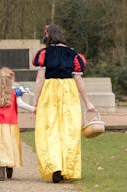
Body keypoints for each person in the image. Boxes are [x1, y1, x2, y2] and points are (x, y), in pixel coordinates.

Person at [32, 24, 95, 183]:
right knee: (69, 130)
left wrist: (35, 101)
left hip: (50, 91)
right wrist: (87, 102)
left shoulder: (44, 53)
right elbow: (78, 79)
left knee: (50, 130)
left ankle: (55, 166)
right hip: (69, 92)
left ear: (48, 36)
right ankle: (67, 167)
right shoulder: (73, 54)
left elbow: (40, 79)